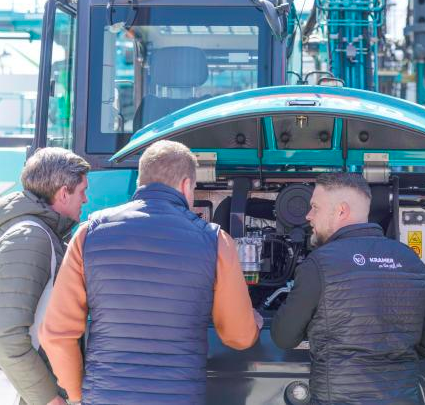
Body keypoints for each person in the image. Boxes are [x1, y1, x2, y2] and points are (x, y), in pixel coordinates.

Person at [40, 140, 261, 405]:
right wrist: (254, 321)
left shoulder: (89, 234)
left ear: (140, 181)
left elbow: (57, 334)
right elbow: (239, 337)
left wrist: (77, 394)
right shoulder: (216, 241)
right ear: (186, 185)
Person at [271, 172, 425, 404]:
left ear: (341, 211)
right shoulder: (411, 261)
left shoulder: (319, 264)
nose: (308, 215)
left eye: (315, 207)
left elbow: (284, 337)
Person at [0, 148, 89, 405]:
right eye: (82, 191)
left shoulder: (38, 232)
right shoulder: (31, 236)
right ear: (63, 193)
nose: (85, 200)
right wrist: (48, 398)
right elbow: (6, 334)